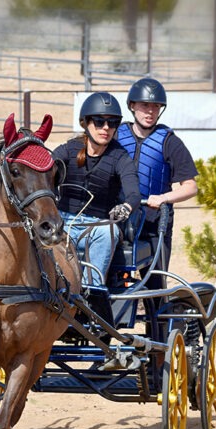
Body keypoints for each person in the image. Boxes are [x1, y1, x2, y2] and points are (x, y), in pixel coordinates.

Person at [53, 91, 141, 286]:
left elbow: (134, 193)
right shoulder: (69, 148)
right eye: (99, 122)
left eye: (113, 123)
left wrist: (125, 208)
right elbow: (47, 167)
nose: (106, 128)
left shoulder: (120, 156)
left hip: (97, 226)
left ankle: (90, 291)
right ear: (86, 122)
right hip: (63, 222)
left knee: (109, 231)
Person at [116, 77, 198, 278]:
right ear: (132, 106)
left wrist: (163, 198)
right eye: (145, 105)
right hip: (118, 221)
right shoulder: (116, 136)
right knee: (112, 281)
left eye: (155, 106)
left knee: (154, 283)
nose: (150, 111)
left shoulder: (170, 142)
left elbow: (190, 186)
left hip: (155, 224)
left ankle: (156, 308)